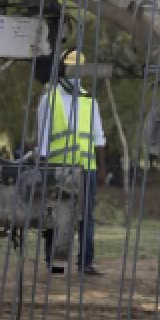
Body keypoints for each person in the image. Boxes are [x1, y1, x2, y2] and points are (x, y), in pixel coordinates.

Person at [37, 49, 106, 276]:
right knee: (56, 216)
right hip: (58, 168)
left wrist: (100, 171)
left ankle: (85, 262)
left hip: (86, 169)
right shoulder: (50, 99)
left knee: (86, 216)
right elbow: (44, 138)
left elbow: (98, 139)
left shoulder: (89, 100)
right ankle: (54, 263)